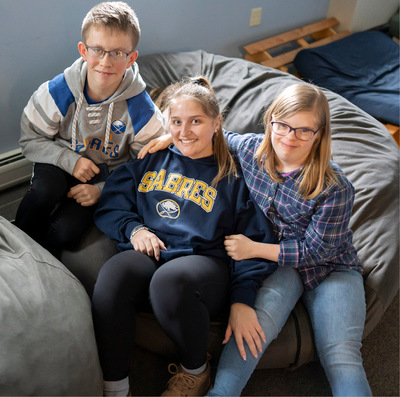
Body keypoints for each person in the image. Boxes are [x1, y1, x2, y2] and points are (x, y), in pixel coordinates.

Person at [142, 82, 372, 396]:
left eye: (304, 130)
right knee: (249, 331)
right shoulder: (251, 149)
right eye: (282, 125)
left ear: (319, 133)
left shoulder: (336, 186)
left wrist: (254, 248)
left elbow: (317, 250)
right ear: (270, 121)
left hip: (330, 268)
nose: (290, 138)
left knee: (341, 356)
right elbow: (213, 134)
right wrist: (174, 136)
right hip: (276, 268)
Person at [92, 77, 279, 396]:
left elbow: (253, 238)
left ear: (216, 122)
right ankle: (115, 386)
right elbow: (112, 201)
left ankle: (195, 370)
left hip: (203, 265)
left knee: (169, 281)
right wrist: (134, 229)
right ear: (165, 123)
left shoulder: (233, 173)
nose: (184, 131)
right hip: (149, 250)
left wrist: (242, 298)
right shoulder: (151, 157)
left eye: (196, 121)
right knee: (114, 273)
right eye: (176, 122)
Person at [14, 1, 164, 256]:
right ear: (83, 51)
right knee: (44, 194)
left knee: (66, 233)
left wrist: (101, 190)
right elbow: (31, 139)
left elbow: (146, 166)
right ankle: (17, 246)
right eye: (98, 50)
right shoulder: (57, 92)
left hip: (104, 176)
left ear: (131, 58)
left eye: (117, 53)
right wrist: (69, 161)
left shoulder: (142, 111)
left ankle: (43, 260)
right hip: (59, 158)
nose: (105, 62)